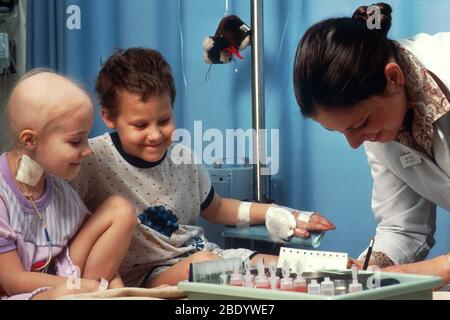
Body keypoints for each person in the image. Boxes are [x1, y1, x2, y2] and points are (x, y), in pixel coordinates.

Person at [70, 48, 336, 288]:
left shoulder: (182, 157)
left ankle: (362, 268)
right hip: (149, 275)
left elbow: (217, 208)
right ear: (108, 117)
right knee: (210, 266)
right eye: (140, 126)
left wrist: (279, 213)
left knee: (304, 266)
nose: (155, 135)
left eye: (164, 120)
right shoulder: (92, 159)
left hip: (204, 256)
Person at [293, 3, 450, 284]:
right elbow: (404, 228)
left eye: (359, 124)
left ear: (393, 78)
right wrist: (367, 270)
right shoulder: (382, 122)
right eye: (340, 131)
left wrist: (426, 271)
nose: (354, 143)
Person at [0, 70, 137, 300]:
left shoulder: (59, 190)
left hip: (68, 283)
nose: (87, 150)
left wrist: (116, 289)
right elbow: (14, 282)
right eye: (75, 141)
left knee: (121, 209)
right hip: (19, 295)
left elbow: (91, 249)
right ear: (30, 140)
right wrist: (82, 287)